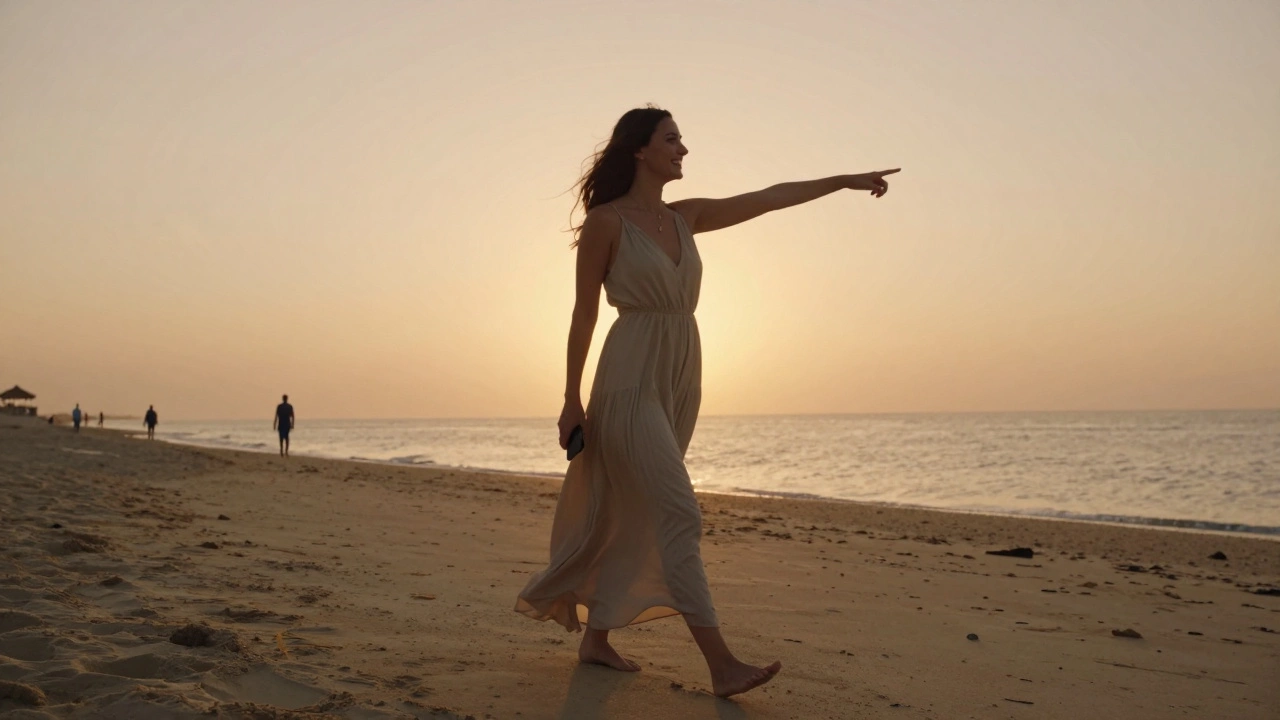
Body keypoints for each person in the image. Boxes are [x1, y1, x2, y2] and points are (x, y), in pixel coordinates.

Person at [514, 106, 899, 698]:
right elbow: (583, 315)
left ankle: (596, 638)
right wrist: (570, 399)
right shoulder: (606, 223)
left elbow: (770, 196)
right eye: (672, 139)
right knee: (680, 511)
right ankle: (721, 665)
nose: (684, 149)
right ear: (639, 150)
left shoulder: (685, 217)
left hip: (680, 374)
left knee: (631, 509)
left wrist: (843, 181)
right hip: (628, 377)